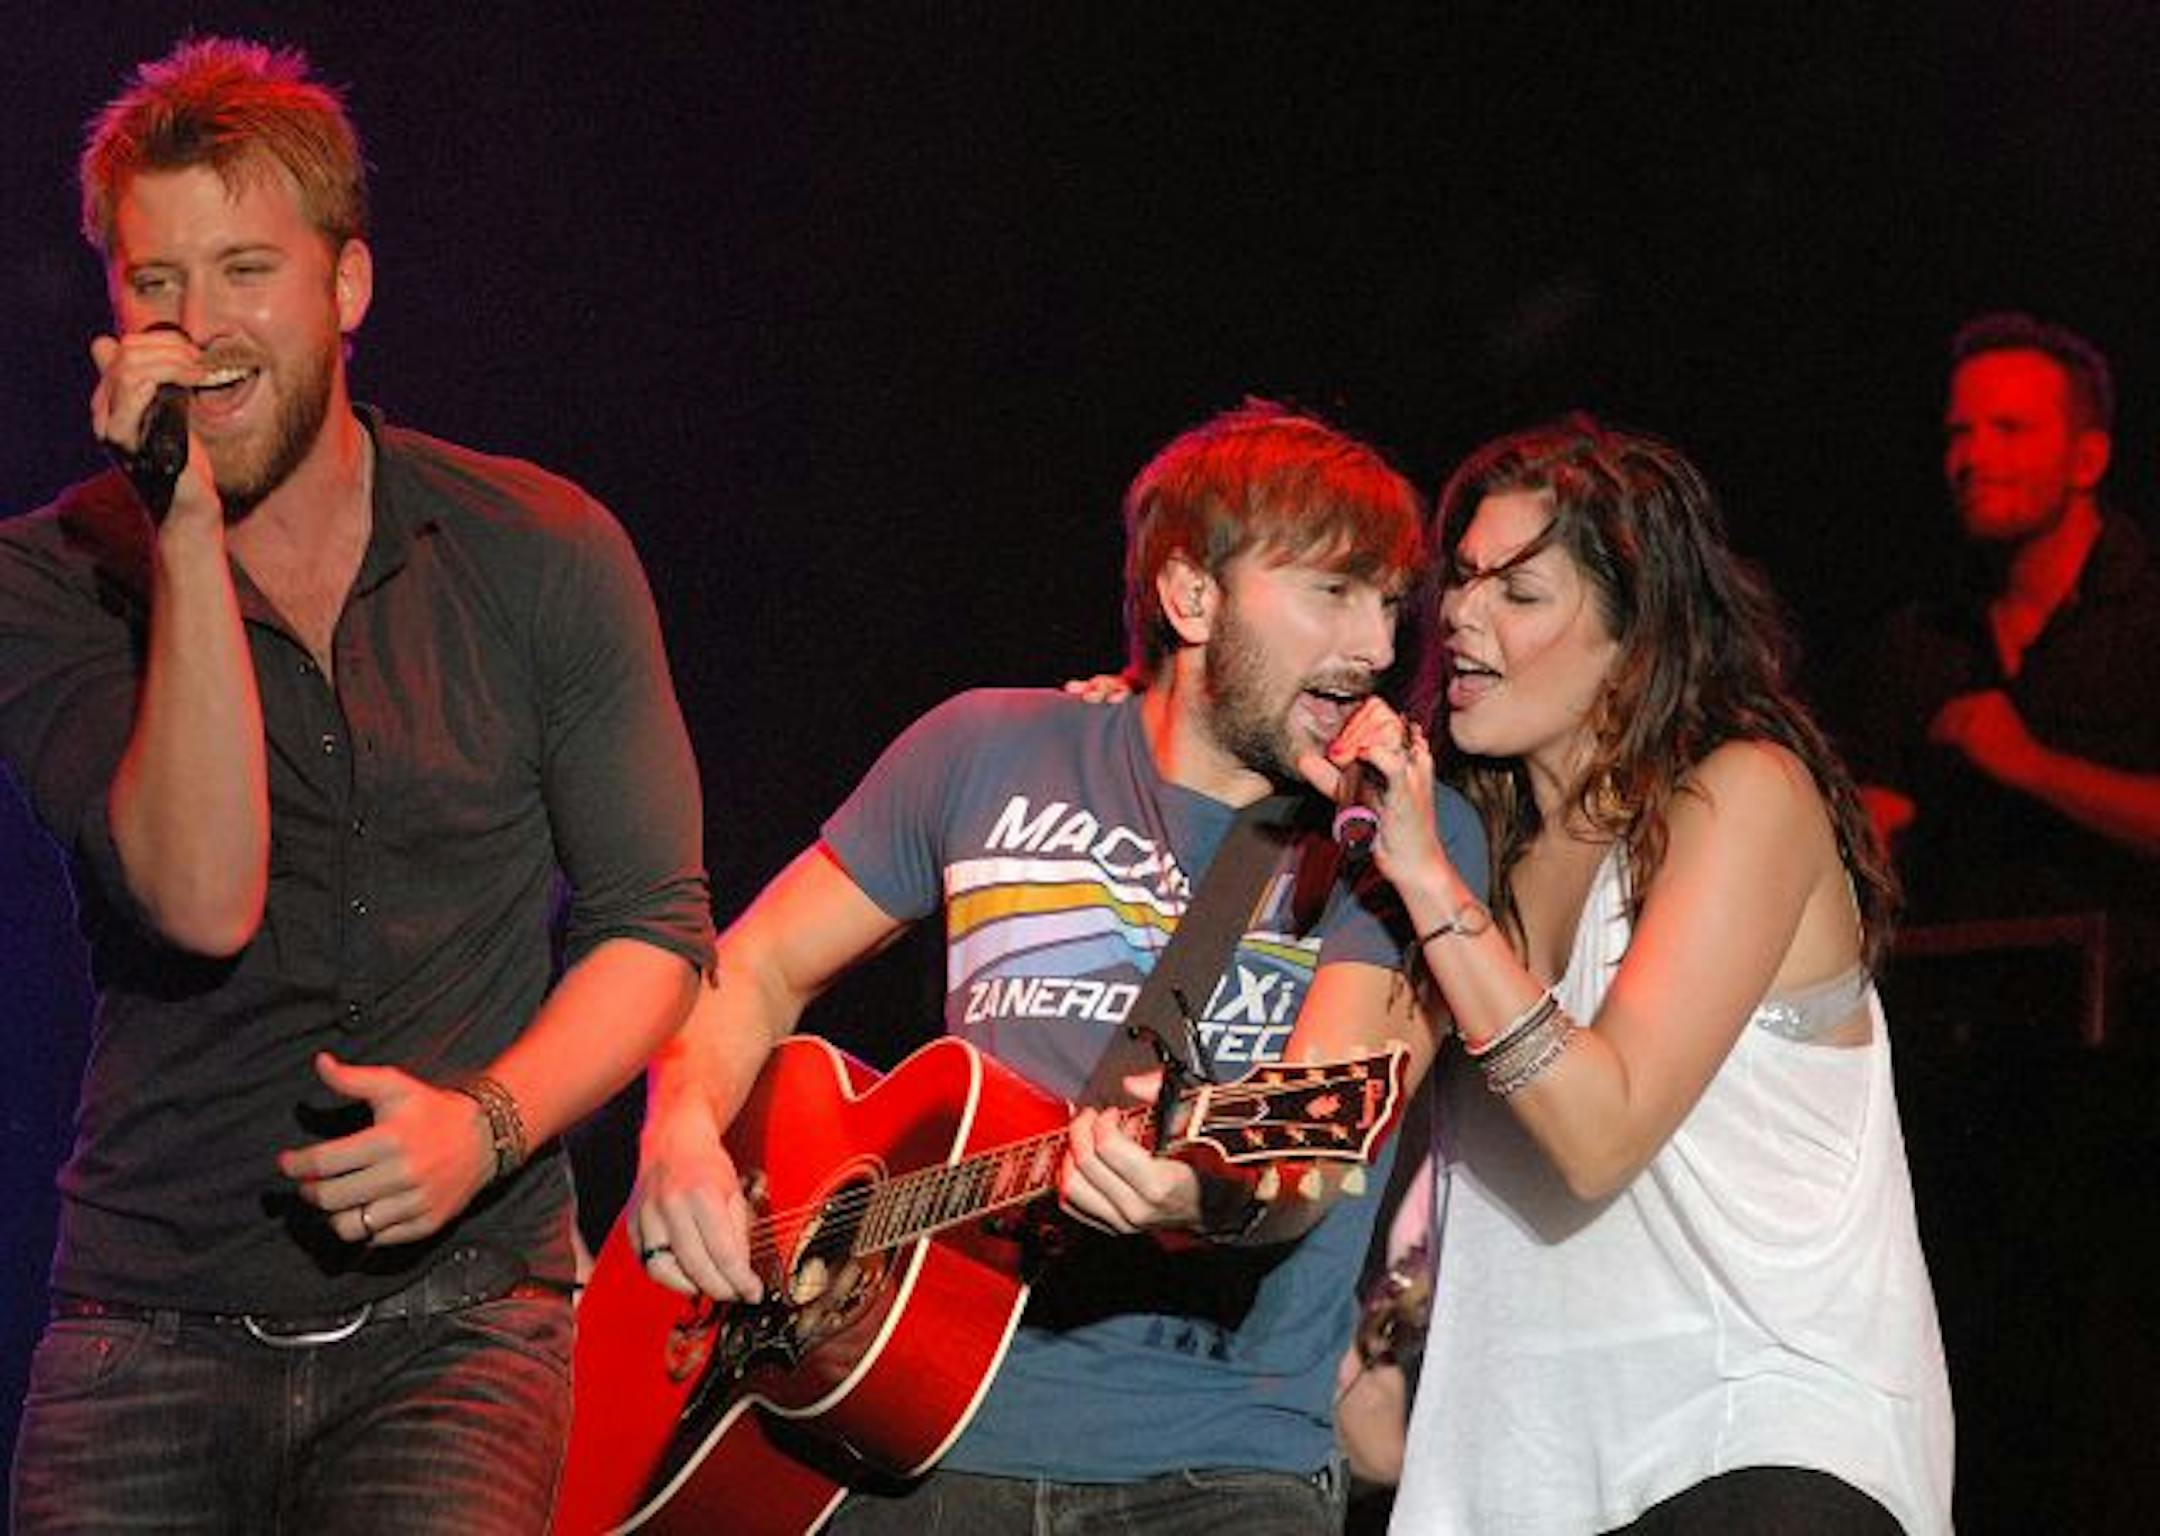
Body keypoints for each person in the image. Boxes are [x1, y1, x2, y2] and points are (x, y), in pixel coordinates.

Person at [0, 37, 714, 1532]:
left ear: (348, 287)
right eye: (155, 284)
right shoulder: (52, 576)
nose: (198, 328)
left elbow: (655, 924)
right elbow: (201, 900)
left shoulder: (541, 549)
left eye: (246, 269)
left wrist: (490, 1125)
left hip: (460, 1332)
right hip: (149, 1328)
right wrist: (180, 530)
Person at [630, 401, 1487, 1533]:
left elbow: (1319, 1135)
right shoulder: (984, 746)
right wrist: (679, 1134)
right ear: (1192, 596)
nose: (1377, 648)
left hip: (1215, 1471)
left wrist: (1203, 1195)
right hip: (890, 1447)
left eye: (1389, 605)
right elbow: (751, 969)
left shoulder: (1409, 834)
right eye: (1333, 592)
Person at [1311, 418, 1953, 1533]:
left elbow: (1600, 1131)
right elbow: (1326, 1116)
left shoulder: (1743, 795)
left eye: (1520, 593)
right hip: (1523, 1479)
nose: (1460, 615)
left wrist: (1426, 882)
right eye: (1460, 581)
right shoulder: (1474, 857)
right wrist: (1160, 742)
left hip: (1752, 1440)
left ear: (1635, 639)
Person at [1845, 314, 2160, 1016]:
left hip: (2133, 1044)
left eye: (2010, 430)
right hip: (1956, 1037)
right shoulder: (1922, 637)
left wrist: (2035, 768)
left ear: (2088, 460)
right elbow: (1880, 818)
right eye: (1960, 432)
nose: (1973, 456)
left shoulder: (2144, 617)